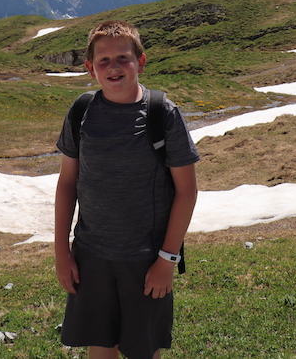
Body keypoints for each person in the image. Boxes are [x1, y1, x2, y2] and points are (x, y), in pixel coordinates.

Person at [55, 19, 200, 359]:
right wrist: (63, 252)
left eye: (123, 58)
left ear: (141, 61)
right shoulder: (81, 111)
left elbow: (187, 191)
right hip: (91, 256)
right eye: (104, 60)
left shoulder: (162, 113)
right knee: (100, 346)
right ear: (91, 68)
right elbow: (67, 184)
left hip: (146, 259)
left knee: (142, 350)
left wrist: (167, 260)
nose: (114, 67)